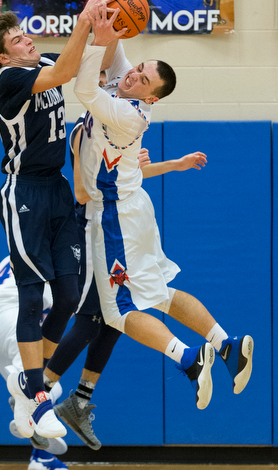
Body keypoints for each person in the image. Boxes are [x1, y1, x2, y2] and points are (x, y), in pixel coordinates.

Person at [73, 0, 254, 412]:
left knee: (118, 313)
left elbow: (83, 87)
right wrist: (111, 20)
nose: (134, 76)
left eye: (143, 80)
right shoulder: (126, 84)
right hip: (132, 207)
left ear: (151, 98)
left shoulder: (128, 112)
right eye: (138, 70)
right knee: (159, 296)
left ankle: (190, 359)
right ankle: (226, 345)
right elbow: (117, 61)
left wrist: (97, 39)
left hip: (117, 216)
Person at [0, 0, 122, 441]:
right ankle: (38, 398)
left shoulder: (43, 62)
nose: (26, 40)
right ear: (3, 57)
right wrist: (82, 20)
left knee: (71, 295)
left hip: (56, 190)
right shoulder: (9, 82)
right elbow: (64, 71)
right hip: (25, 193)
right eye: (16, 40)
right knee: (33, 297)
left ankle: (33, 384)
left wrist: (110, 24)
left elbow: (82, 62)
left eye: (23, 33)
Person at [51, 115, 209, 448]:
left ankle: (78, 400)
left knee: (115, 320)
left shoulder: (119, 130)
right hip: (92, 232)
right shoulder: (86, 129)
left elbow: (127, 179)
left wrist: (174, 164)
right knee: (91, 321)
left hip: (116, 232)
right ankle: (34, 393)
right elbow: (82, 192)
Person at [0, 257, 68, 470]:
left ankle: (41, 458)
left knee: (30, 387)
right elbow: (63, 304)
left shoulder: (14, 253)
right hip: (12, 321)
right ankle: (25, 408)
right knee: (45, 387)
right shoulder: (56, 256)